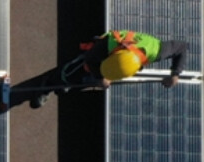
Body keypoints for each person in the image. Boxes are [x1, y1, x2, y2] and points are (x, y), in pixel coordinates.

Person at [31, 29, 187, 108]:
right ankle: (49, 83)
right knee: (76, 70)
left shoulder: (158, 51)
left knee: (90, 81)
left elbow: (182, 48)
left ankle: (72, 84)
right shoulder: (103, 48)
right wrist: (100, 78)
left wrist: (175, 74)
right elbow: (90, 59)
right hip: (99, 49)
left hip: (113, 57)